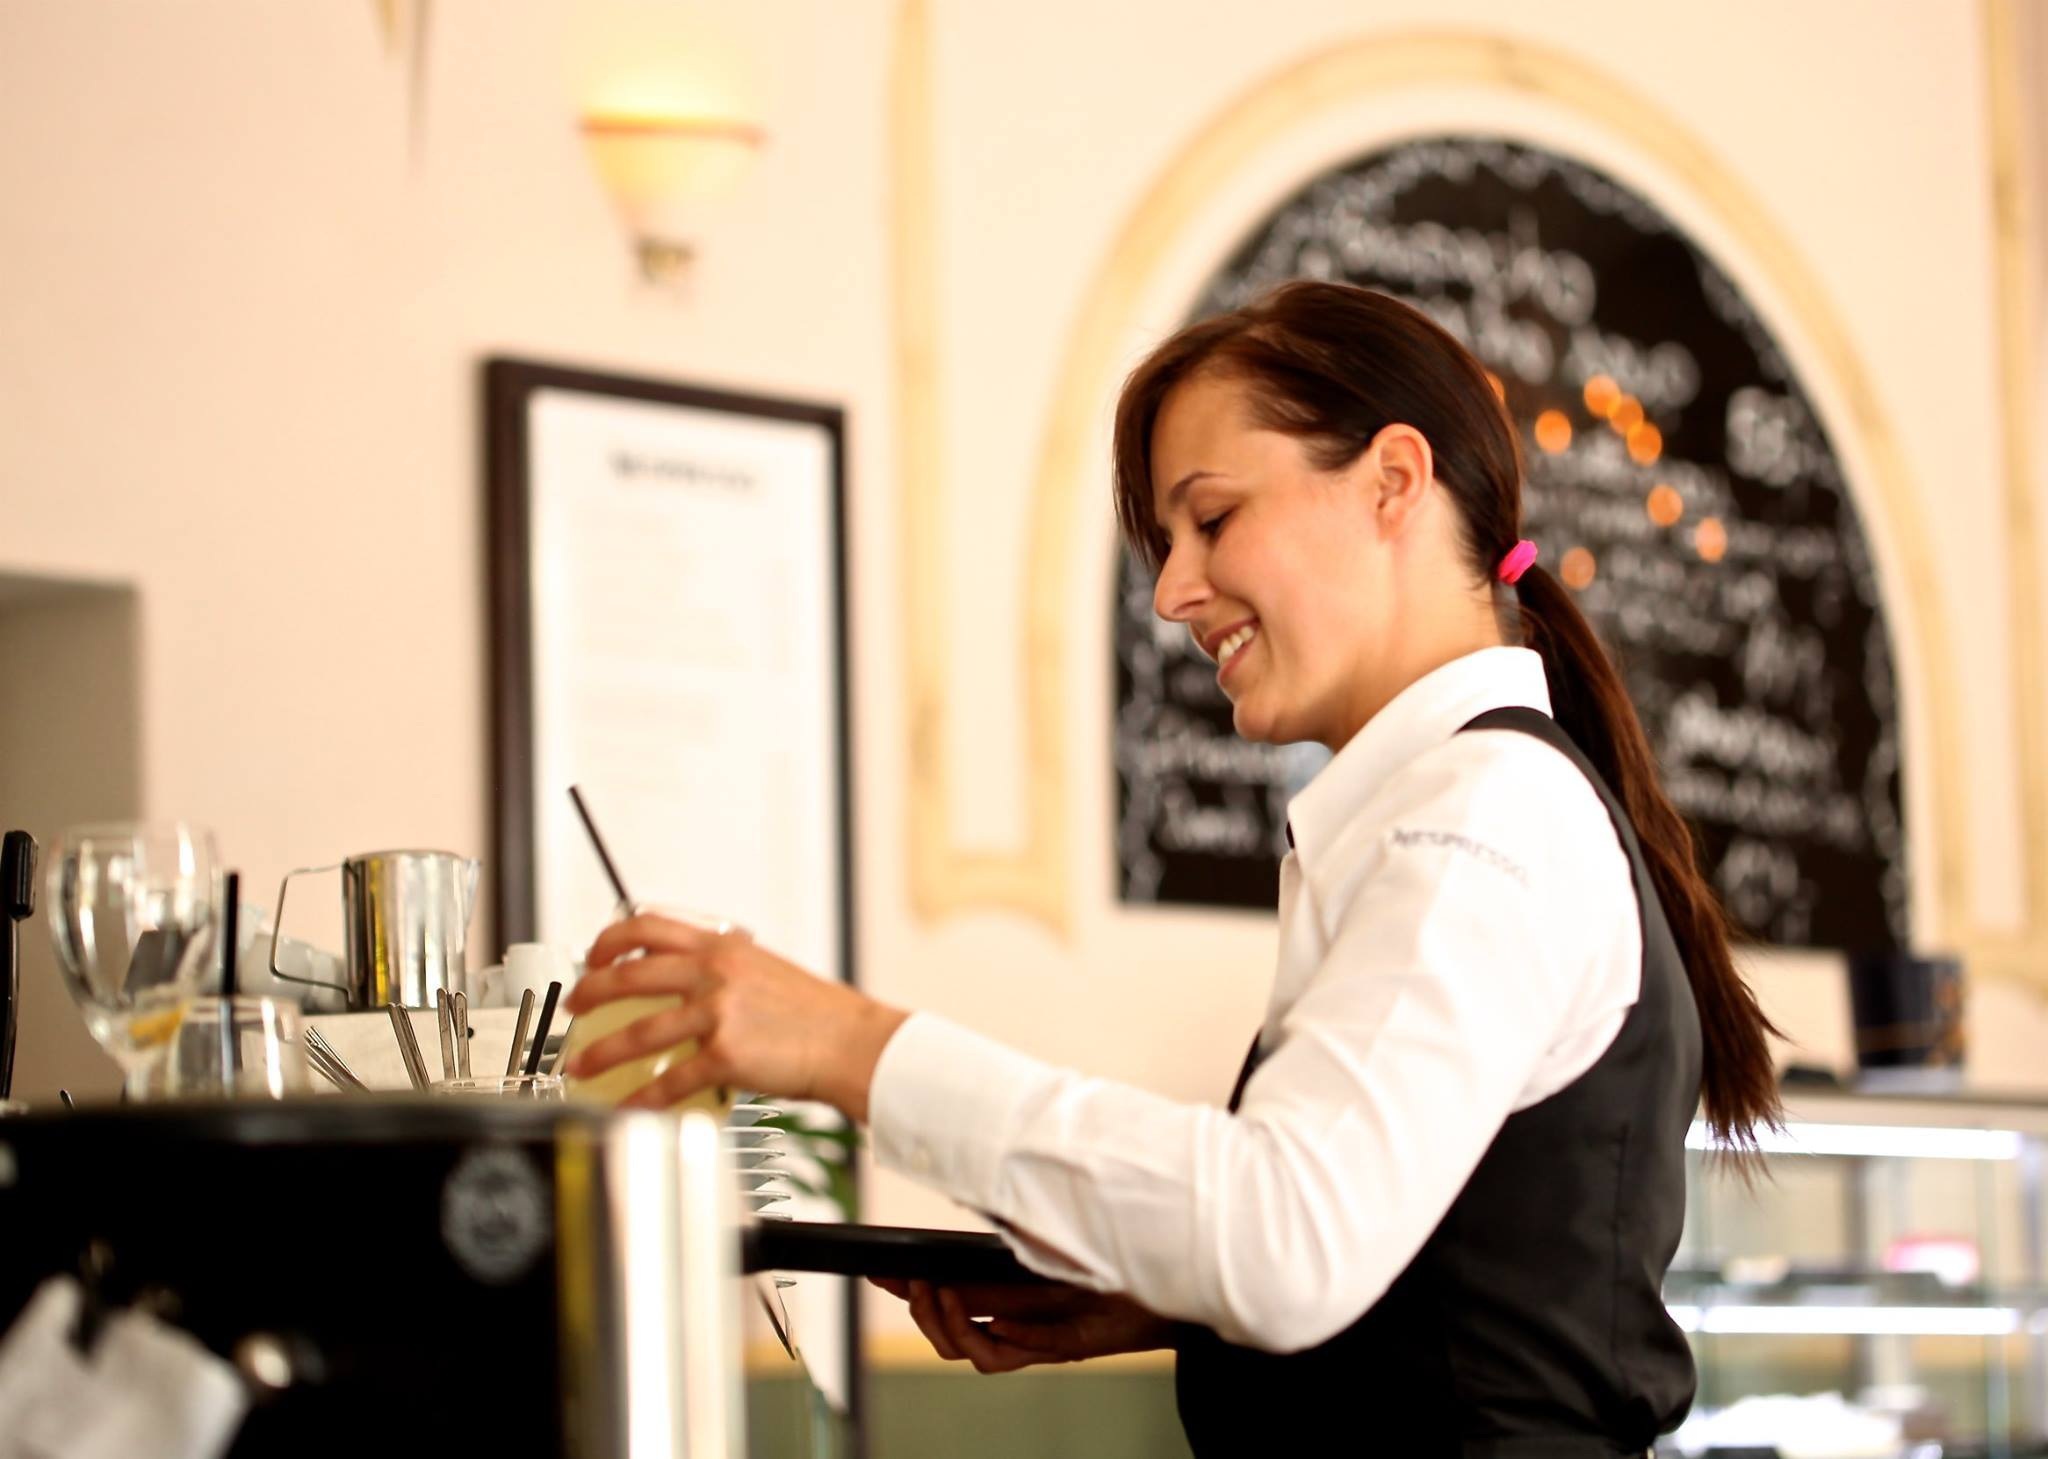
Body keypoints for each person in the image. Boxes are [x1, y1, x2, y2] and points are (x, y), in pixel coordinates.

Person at [562, 280, 1782, 1453]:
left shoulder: (1484, 812)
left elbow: (1286, 1233)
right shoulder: (1453, 805)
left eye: (1209, 519)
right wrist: (1185, 1309)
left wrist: (844, 1045)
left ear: (1392, 482)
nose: (1169, 593)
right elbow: (1430, 1265)